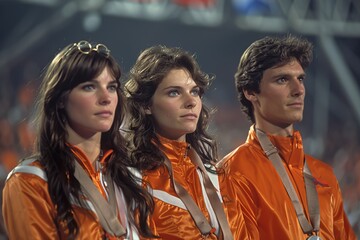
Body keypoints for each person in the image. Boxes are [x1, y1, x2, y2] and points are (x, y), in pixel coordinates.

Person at [2, 40, 155, 239]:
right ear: (60, 99)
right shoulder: (31, 180)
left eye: (111, 87)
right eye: (89, 87)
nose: (106, 98)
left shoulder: (133, 181)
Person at [217, 35, 357, 239]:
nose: (298, 90)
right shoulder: (233, 173)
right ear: (250, 92)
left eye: (300, 79)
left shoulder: (325, 175)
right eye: (282, 79)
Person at [125, 45, 244, 239]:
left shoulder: (219, 177)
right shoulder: (132, 180)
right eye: (174, 92)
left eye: (195, 91)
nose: (191, 101)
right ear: (146, 105)